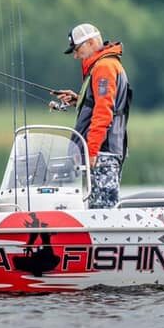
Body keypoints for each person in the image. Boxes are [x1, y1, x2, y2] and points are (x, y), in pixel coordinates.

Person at [50, 23, 132, 209]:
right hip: (105, 150)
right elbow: (102, 103)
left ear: (91, 43)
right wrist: (79, 100)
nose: (75, 55)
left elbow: (103, 112)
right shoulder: (107, 64)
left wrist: (92, 150)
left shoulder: (104, 67)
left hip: (103, 151)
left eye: (77, 49)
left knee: (102, 212)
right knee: (97, 208)